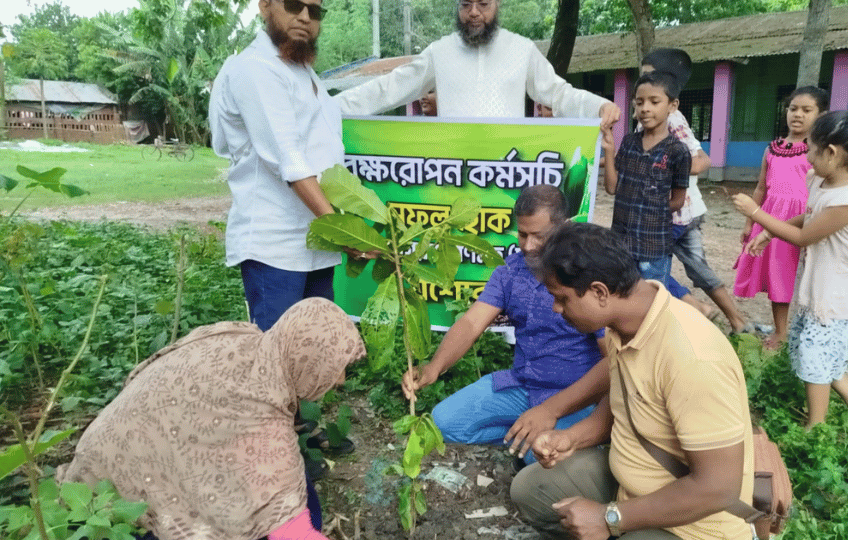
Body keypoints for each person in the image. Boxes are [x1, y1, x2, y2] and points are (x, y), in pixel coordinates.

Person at [510, 222, 753, 540]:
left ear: (599, 292)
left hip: (695, 526)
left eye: (562, 298)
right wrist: (572, 438)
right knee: (531, 489)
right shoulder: (628, 319)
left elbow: (718, 489)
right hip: (632, 485)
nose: (557, 309)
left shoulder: (693, 358)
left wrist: (609, 517)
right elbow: (620, 384)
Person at [57, 298, 367, 540]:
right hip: (113, 498)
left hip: (118, 447)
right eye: (335, 368)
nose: (339, 380)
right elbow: (291, 533)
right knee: (293, 515)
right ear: (306, 361)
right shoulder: (260, 423)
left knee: (300, 493)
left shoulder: (249, 341)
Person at [402, 185, 608, 463]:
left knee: (538, 458)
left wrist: (554, 410)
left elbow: (614, 361)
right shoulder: (510, 272)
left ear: (564, 228)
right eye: (522, 234)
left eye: (539, 236)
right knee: (444, 422)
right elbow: (472, 323)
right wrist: (433, 368)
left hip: (574, 397)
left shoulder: (588, 276)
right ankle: (525, 433)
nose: (528, 245)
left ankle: (545, 439)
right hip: (521, 386)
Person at [732, 106, 848, 433]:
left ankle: (814, 431)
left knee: (816, 359)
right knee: (813, 348)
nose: (807, 156)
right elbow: (809, 214)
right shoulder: (820, 178)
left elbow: (804, 237)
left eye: (812, 150)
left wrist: (757, 213)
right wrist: (770, 232)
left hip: (839, 291)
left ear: (831, 153)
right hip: (820, 283)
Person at [210, 0, 358, 331]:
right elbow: (289, 160)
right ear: (265, 6)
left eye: (315, 11)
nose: (305, 17)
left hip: (315, 240)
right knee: (277, 360)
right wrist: (341, 229)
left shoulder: (302, 71)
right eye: (294, 5)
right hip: (274, 247)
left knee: (315, 353)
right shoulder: (257, 68)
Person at [334, 0, 620, 126]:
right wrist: (329, 107)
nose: (473, 13)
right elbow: (389, 88)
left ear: (497, 5)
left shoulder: (521, 49)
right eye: (465, 4)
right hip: (450, 171)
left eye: (483, 4)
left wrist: (598, 106)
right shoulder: (440, 51)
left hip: (507, 171)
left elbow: (558, 94)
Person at [634, 49, 751, 334]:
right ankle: (734, 320)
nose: (643, 79)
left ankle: (695, 310)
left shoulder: (671, 120)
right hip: (685, 212)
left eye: (649, 74)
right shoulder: (651, 118)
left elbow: (702, 161)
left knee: (639, 263)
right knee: (697, 269)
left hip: (674, 214)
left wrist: (665, 168)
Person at [733, 86, 829, 348]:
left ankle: (811, 329)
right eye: (793, 108)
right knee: (779, 277)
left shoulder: (819, 151)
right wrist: (750, 221)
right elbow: (761, 187)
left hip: (802, 219)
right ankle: (781, 331)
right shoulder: (772, 149)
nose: (797, 115)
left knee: (806, 278)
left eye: (806, 110)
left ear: (821, 115)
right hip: (771, 218)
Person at [602, 71, 690, 286]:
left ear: (672, 105)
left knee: (652, 304)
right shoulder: (629, 142)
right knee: (620, 297)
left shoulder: (678, 151)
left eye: (654, 101)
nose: (645, 108)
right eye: (639, 102)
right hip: (621, 244)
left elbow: (678, 200)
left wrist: (651, 209)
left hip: (654, 247)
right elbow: (612, 188)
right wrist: (610, 150)